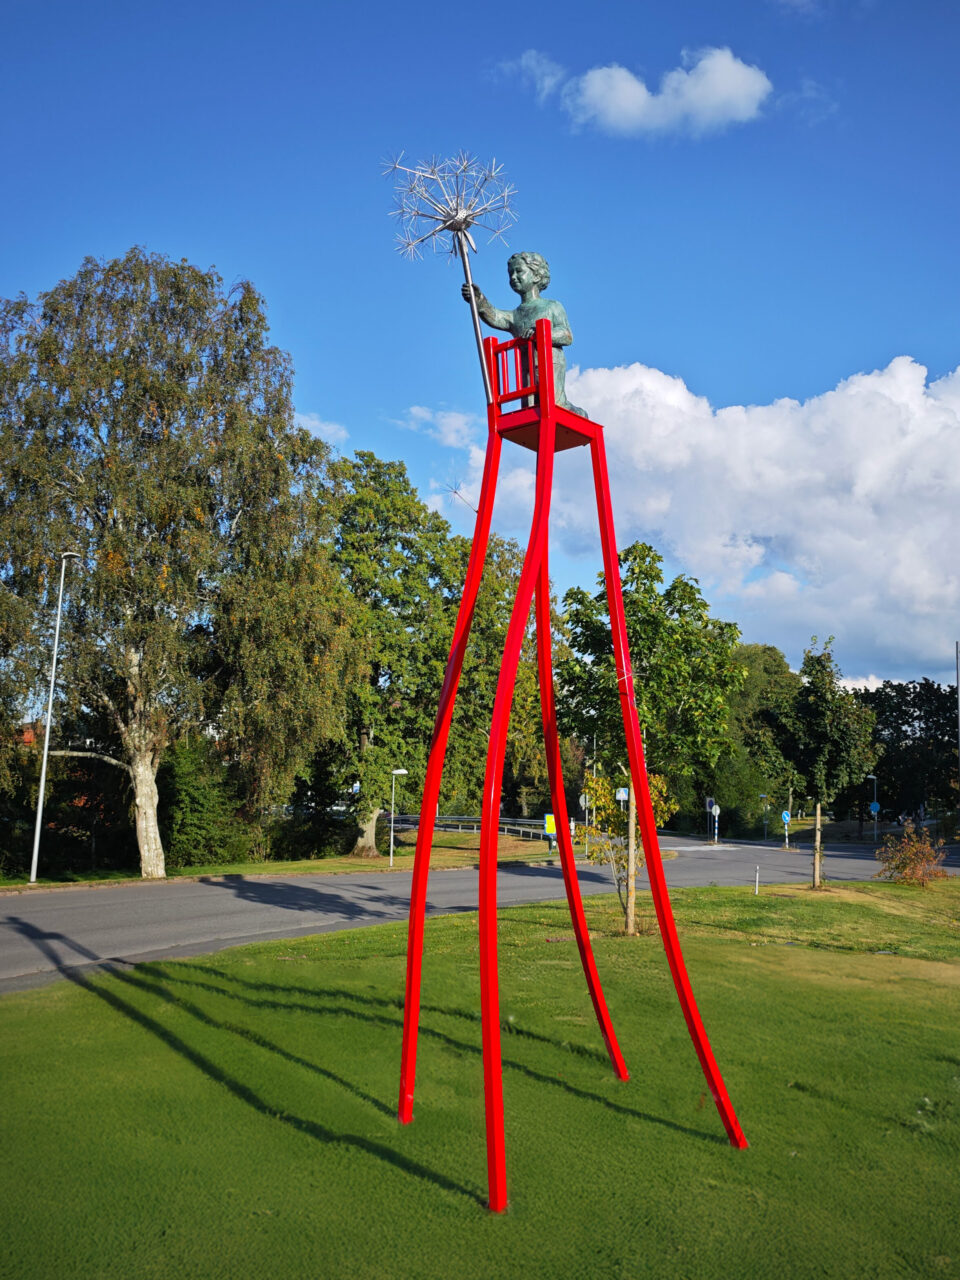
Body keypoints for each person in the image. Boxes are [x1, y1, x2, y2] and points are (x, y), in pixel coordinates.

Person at [462, 251, 586, 416]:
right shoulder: (515, 315)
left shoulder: (552, 306)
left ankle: (573, 411)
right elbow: (496, 317)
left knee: (554, 404)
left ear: (536, 276)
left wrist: (541, 334)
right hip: (526, 370)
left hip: (551, 365)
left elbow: (566, 335)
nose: (513, 277)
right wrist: (479, 301)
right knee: (530, 409)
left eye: (519, 271)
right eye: (510, 273)